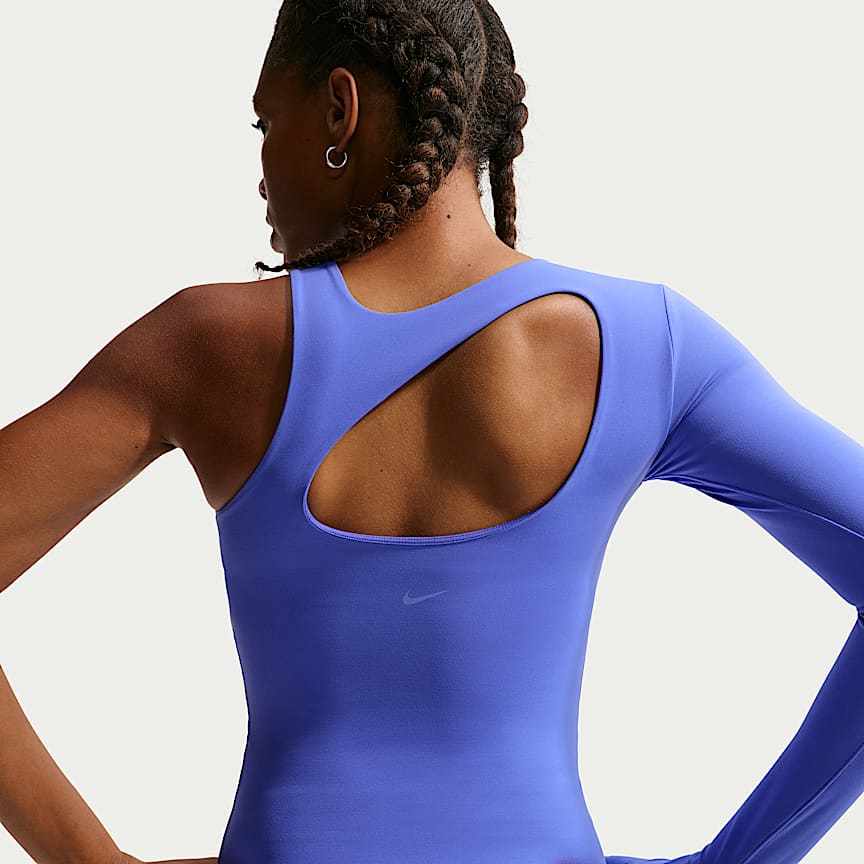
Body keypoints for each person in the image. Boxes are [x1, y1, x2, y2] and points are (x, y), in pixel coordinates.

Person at [2, 2, 863, 864]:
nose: (260, 174)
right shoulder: (645, 346)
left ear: (340, 110)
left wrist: (92, 862)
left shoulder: (207, 346)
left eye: (265, 122)